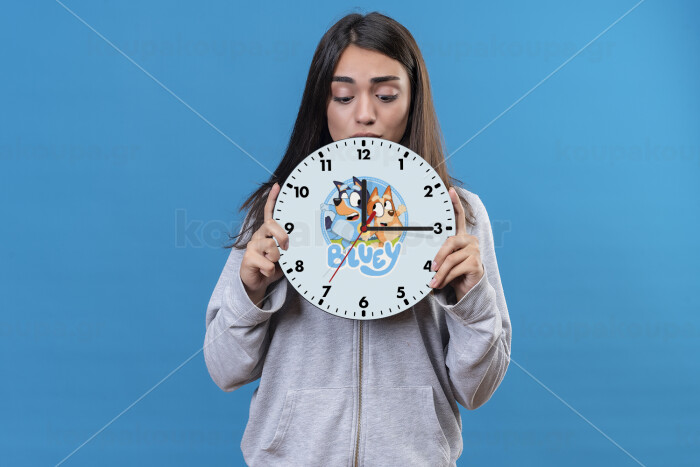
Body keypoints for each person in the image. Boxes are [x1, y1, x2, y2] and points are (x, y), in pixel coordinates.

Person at [204, 11, 512, 466]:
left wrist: (471, 300)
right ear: (322, 105)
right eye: (344, 96)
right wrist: (248, 291)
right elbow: (225, 370)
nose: (365, 114)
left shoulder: (458, 215)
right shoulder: (277, 210)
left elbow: (478, 389)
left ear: (413, 101)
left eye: (385, 95)